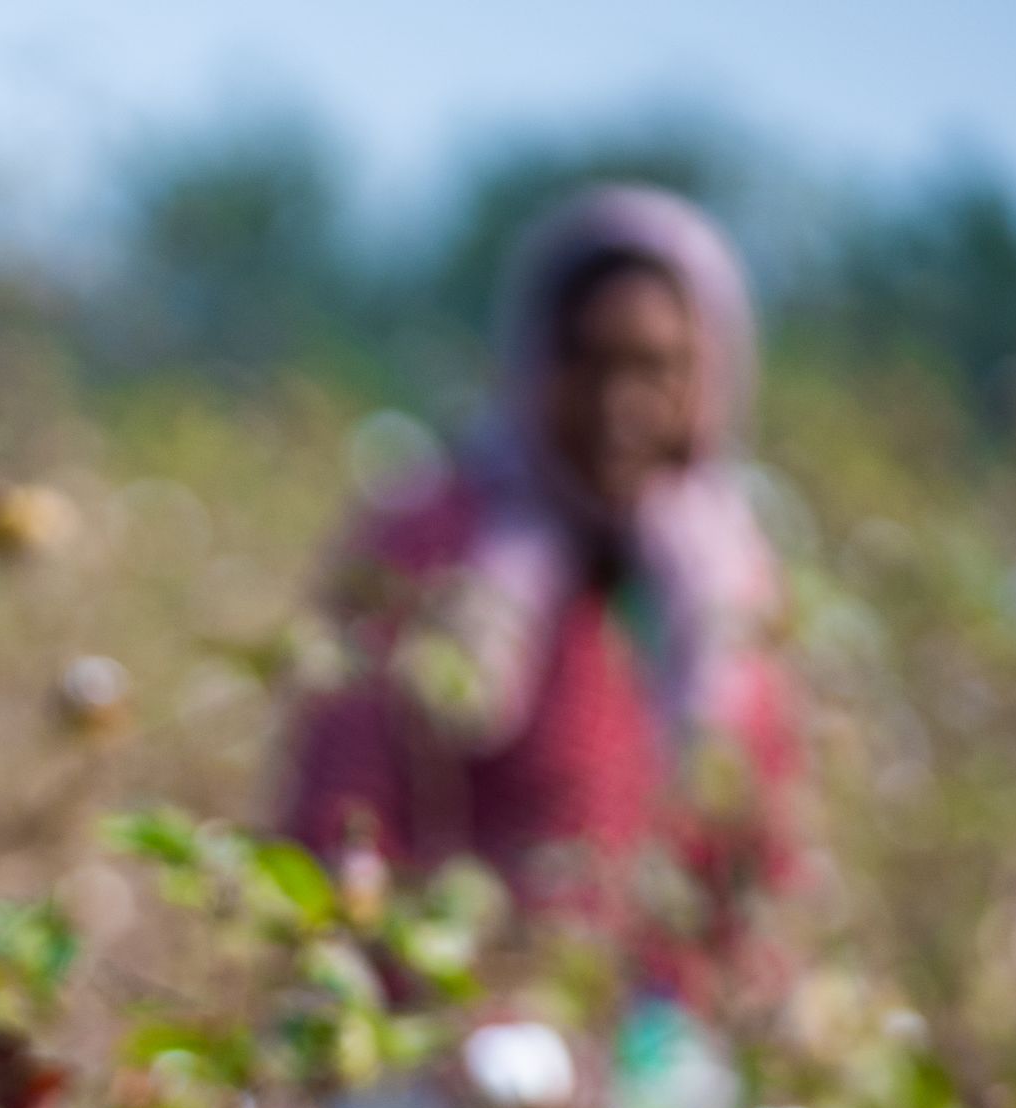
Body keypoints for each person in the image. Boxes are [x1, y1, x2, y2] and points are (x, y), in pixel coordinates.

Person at [280, 184, 806, 1019]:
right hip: (443, 1025)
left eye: (655, 369)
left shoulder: (729, 582)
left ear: (706, 377)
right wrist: (424, 995)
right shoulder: (429, 546)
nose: (617, 406)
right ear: (532, 362)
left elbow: (757, 854)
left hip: (657, 1039)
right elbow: (340, 812)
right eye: (586, 361)